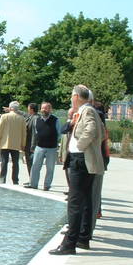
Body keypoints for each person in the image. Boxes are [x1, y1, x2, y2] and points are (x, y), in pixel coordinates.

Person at [49, 85, 105, 255]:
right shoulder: (86, 111)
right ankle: (82, 238)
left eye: (72, 95)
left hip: (81, 161)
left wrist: (79, 147)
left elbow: (93, 131)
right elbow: (101, 133)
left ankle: (69, 244)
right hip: (83, 161)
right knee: (86, 201)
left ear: (77, 97)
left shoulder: (87, 111)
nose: (71, 98)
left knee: (74, 202)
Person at [26, 102, 61, 191]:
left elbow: (59, 134)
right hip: (39, 147)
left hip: (52, 148)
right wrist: (33, 146)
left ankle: (47, 185)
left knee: (50, 168)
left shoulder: (56, 120)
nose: (44, 110)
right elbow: (35, 133)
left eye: (46, 108)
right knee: (35, 167)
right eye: (43, 108)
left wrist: (55, 143)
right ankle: (33, 184)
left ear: (50, 110)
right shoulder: (37, 120)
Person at [0, 101, 26, 185]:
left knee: (4, 162)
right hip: (16, 144)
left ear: (10, 108)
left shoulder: (4, 116)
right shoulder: (22, 118)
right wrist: (23, 144)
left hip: (5, 143)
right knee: (15, 163)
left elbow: (0, 129)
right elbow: (24, 133)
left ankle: (2, 179)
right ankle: (15, 180)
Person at [24, 103, 39, 177]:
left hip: (31, 146)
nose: (27, 110)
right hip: (28, 145)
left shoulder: (35, 118)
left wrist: (33, 146)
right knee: (29, 163)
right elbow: (23, 114)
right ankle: (31, 179)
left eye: (28, 108)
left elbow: (35, 133)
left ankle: (32, 179)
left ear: (31, 110)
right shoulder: (31, 117)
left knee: (31, 163)